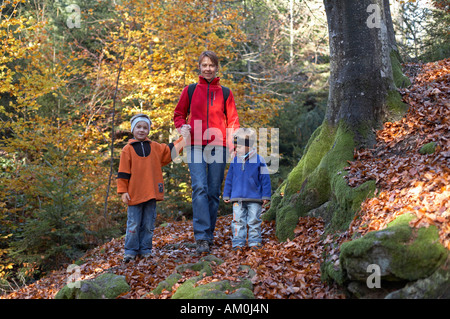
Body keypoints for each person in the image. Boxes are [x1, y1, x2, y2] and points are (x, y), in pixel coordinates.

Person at [173, 51, 240, 253]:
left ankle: (208, 235)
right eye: (204, 65)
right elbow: (178, 114)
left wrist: (235, 146)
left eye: (211, 65)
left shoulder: (226, 93)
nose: (208, 68)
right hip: (194, 145)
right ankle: (201, 237)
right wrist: (181, 126)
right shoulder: (190, 90)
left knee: (212, 191)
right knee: (199, 187)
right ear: (199, 67)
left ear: (217, 68)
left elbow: (233, 122)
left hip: (219, 146)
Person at [117, 113, 184, 263]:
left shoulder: (155, 147)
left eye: (145, 127)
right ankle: (130, 251)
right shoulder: (127, 149)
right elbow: (122, 173)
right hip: (134, 194)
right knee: (133, 224)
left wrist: (184, 139)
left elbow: (170, 151)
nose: (141, 130)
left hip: (151, 192)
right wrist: (123, 191)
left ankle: (145, 249)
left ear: (148, 130)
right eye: (138, 127)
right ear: (133, 129)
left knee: (148, 224)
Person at [223, 128, 271, 250]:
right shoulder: (235, 160)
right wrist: (227, 194)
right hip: (237, 198)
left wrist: (266, 196)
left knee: (254, 221)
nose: (236, 149)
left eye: (238, 146)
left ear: (248, 146)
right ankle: (238, 243)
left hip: (255, 197)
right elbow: (229, 179)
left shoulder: (259, 160)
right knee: (238, 221)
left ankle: (255, 242)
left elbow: (265, 179)